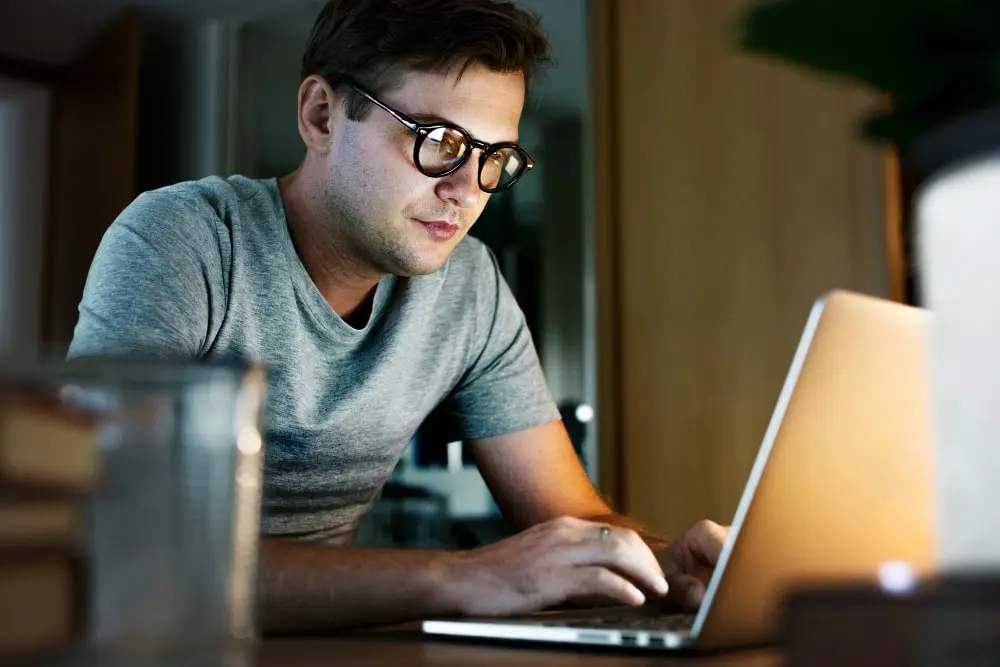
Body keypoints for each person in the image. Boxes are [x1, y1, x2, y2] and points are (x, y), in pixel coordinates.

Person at [68, 0, 729, 633]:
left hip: (323, 643)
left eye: (494, 157)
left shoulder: (469, 285)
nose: (468, 190)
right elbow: (125, 549)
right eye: (439, 140)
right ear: (322, 115)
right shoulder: (184, 240)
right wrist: (463, 576)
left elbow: (574, 515)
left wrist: (658, 564)